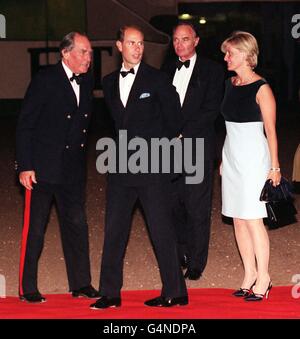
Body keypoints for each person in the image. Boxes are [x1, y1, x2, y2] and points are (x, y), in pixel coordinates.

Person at [90, 25, 188, 309]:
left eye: (141, 44)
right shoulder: (108, 82)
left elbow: (174, 121)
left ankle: (176, 292)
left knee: (161, 230)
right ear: (119, 45)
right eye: (131, 43)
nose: (137, 48)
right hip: (120, 167)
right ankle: (110, 293)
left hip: (152, 166)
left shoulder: (157, 80)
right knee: (114, 230)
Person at [16, 32, 99, 303]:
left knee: (77, 225)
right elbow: (26, 123)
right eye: (84, 52)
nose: (89, 57)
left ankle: (81, 283)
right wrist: (25, 165)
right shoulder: (45, 79)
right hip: (42, 169)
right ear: (66, 53)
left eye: (89, 52)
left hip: (73, 169)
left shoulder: (86, 81)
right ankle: (28, 287)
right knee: (35, 229)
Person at [220, 31, 281, 301]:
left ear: (245, 55)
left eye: (229, 53)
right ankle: (249, 274)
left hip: (254, 160)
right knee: (237, 218)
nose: (225, 57)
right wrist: (224, 158)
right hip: (232, 156)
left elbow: (271, 130)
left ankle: (264, 277)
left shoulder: (262, 89)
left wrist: (275, 167)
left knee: (254, 219)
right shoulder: (230, 84)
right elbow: (228, 126)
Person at [162, 23, 224, 280]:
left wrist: (181, 133)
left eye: (185, 39)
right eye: (175, 40)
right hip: (168, 149)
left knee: (197, 207)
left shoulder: (213, 71)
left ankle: (197, 262)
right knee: (173, 204)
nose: (179, 44)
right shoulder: (164, 70)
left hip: (197, 146)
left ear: (196, 41)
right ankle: (181, 254)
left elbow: (210, 111)